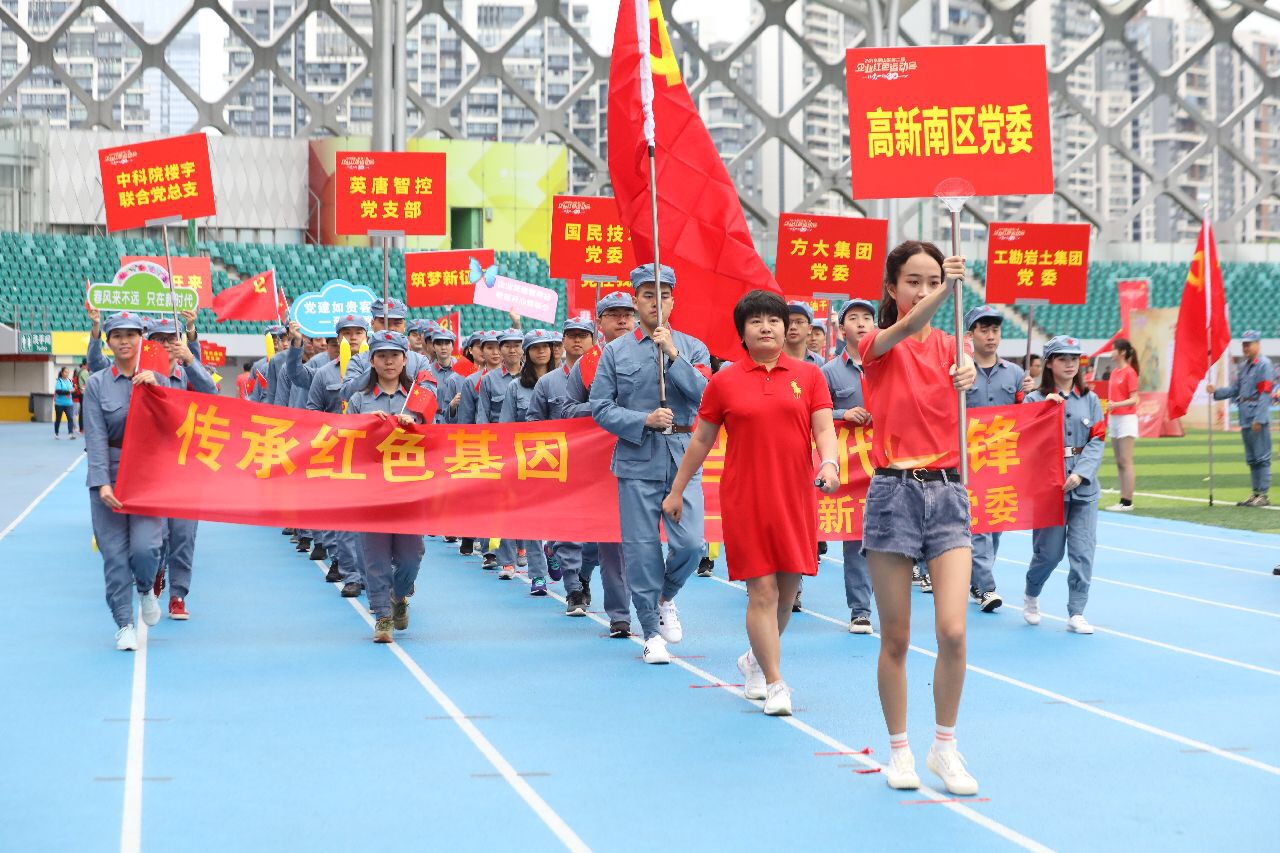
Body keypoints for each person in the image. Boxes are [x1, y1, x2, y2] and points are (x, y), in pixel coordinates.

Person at [664, 291, 838, 715]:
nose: (766, 327)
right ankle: (776, 682)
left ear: (785, 328)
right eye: (756, 321)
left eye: (774, 320)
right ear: (742, 332)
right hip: (746, 498)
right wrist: (677, 489)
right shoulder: (724, 382)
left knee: (786, 593)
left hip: (795, 496)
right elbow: (701, 440)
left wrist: (830, 463)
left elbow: (823, 428)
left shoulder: (809, 376)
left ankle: (755, 660)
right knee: (761, 591)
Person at [858, 241, 978, 796]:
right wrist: (949, 289)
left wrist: (969, 374)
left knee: (953, 631)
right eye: (913, 280)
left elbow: (970, 379)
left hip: (948, 492)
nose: (923, 290)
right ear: (892, 287)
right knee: (897, 638)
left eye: (933, 280)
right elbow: (907, 327)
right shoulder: (876, 343)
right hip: (893, 493)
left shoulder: (954, 347)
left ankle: (944, 747)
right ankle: (900, 749)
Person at [590, 263, 711, 665]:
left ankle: (666, 596)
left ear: (673, 301)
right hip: (636, 459)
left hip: (683, 458)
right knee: (641, 551)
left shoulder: (692, 347)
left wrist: (673, 355)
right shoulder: (615, 351)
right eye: (647, 295)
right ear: (635, 301)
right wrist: (642, 419)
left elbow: (706, 396)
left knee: (691, 544)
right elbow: (600, 407)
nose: (656, 303)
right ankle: (651, 632)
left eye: (664, 295)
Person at [83, 312, 167, 650]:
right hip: (110, 476)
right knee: (115, 555)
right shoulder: (96, 384)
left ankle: (145, 588)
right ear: (108, 341)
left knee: (146, 548)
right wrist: (102, 482)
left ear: (141, 339)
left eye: (131, 335)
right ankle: (124, 624)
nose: (124, 341)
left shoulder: (157, 379)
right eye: (117, 335)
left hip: (147, 475)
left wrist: (158, 388)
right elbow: (95, 436)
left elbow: (176, 423)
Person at [347, 330, 427, 642]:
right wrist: (365, 423)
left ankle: (399, 594)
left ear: (405, 360)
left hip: (409, 492)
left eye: (395, 355)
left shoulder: (418, 399)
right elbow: (344, 442)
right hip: (371, 492)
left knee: (411, 557)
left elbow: (439, 439)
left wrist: (415, 426)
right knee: (375, 558)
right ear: (372, 361)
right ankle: (382, 616)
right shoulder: (359, 400)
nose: (389, 361)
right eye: (382, 356)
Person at [566, 293, 638, 636]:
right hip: (603, 466)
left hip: (649, 460)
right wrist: (604, 409)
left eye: (627, 314)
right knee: (611, 544)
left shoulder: (656, 353)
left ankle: (656, 606)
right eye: (614, 315)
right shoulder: (586, 364)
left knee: (647, 543)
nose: (622, 320)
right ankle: (620, 614)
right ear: (600, 323)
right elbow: (568, 410)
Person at [137, 316, 218, 620]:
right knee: (157, 534)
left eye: (172, 338)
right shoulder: (142, 374)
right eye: (160, 340)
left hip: (186, 467)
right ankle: (157, 570)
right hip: (154, 468)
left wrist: (191, 360)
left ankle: (178, 595)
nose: (167, 345)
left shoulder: (188, 374)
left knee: (184, 535)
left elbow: (212, 394)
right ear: (150, 344)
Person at [1023, 336, 1104, 634]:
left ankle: (1077, 611)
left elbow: (1098, 439)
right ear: (1049, 363)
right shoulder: (1034, 400)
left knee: (1082, 552)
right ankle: (1032, 593)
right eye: (1062, 358)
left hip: (1084, 487)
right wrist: (1045, 409)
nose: (1070, 364)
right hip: (1049, 489)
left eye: (1074, 358)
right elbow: (1024, 438)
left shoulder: (1090, 399)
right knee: (1049, 553)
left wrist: (1081, 473)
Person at [963, 305, 1033, 613]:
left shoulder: (1015, 374)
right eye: (984, 330)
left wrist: (1034, 395)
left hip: (1003, 462)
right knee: (977, 522)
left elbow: (1026, 415)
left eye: (995, 330)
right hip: (970, 461)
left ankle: (977, 578)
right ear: (971, 335)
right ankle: (986, 586)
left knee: (996, 523)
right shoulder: (961, 373)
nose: (991, 336)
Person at [529, 317, 600, 615]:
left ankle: (583, 574)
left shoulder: (607, 377)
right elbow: (533, 424)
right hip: (563, 466)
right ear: (563, 342)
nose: (577, 341)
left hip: (600, 467)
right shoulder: (548, 383)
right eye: (571, 335)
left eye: (584, 335)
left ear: (594, 340)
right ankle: (573, 589)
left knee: (598, 536)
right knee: (568, 531)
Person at [821, 298, 877, 634]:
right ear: (842, 331)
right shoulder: (828, 372)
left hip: (887, 463)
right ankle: (860, 610)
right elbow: (815, 412)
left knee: (891, 539)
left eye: (867, 317)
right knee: (855, 537)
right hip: (851, 468)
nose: (861, 323)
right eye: (853, 318)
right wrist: (844, 413)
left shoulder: (889, 363)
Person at [306, 314, 371, 596]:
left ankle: (375, 573)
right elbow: (312, 411)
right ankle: (351, 574)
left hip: (375, 456)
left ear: (367, 336)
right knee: (345, 520)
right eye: (346, 333)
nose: (352, 337)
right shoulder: (324, 374)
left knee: (373, 520)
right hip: (340, 454)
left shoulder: (383, 368)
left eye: (358, 332)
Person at [496, 329, 555, 591]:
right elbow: (506, 427)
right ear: (527, 353)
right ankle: (538, 574)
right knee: (532, 518)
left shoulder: (564, 381)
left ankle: (553, 549)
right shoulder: (516, 387)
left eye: (546, 346)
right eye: (535, 347)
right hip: (528, 461)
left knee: (559, 517)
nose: (541, 351)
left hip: (562, 460)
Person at [1208, 330, 1274, 507]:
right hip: (1245, 416)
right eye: (1244, 344)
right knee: (1252, 458)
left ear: (1258, 344)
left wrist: (1259, 418)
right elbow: (1236, 390)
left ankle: (1263, 494)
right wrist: (1216, 392)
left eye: (1249, 344)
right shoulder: (1244, 366)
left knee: (1262, 457)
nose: (1245, 347)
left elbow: (1265, 393)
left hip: (1256, 416)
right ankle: (1256, 493)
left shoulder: (1264, 365)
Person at [1104, 337, 1141, 512]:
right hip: (1114, 418)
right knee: (1119, 461)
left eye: (1113, 349)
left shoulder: (1129, 372)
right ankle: (1122, 499)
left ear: (1122, 352)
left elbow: (1135, 399)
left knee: (1126, 460)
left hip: (1127, 419)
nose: (1111, 352)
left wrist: (1116, 404)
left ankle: (1128, 501)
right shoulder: (1114, 372)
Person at [247, 324, 287, 402]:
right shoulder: (258, 366)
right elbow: (251, 393)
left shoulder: (291, 364)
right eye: (272, 341)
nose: (275, 346)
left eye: (279, 341)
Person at [785, 301, 825, 366]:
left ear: (810, 328)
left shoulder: (820, 364)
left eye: (799, 322)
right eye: (788, 322)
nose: (793, 327)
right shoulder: (770, 360)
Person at [53, 367, 75, 439]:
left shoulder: (70, 381)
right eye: (65, 372)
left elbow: (72, 390)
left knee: (70, 418)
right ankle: (56, 433)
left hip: (69, 404)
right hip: (59, 404)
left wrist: (74, 390)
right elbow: (58, 391)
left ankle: (70, 433)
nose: (67, 373)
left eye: (68, 372)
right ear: (62, 373)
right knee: (58, 419)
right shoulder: (59, 381)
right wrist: (68, 391)